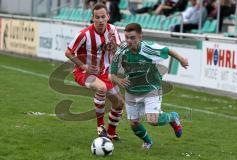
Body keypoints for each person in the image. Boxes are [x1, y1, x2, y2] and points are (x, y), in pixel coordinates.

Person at [109, 23, 189, 149]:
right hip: (131, 91)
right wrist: (119, 80)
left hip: (151, 88)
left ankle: (173, 117)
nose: (129, 41)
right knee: (133, 123)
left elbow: (168, 50)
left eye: (133, 37)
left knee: (152, 120)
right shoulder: (121, 52)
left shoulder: (149, 49)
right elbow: (111, 75)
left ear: (140, 36)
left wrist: (181, 59)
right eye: (127, 37)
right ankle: (148, 141)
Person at [65, 3, 124, 140]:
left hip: (105, 73)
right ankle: (100, 126)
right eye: (97, 17)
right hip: (84, 72)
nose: (100, 20)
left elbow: (119, 53)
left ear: (108, 17)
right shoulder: (84, 34)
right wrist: (84, 66)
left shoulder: (113, 30)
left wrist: (113, 41)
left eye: (103, 17)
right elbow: (68, 52)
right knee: (101, 88)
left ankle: (111, 133)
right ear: (92, 18)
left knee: (119, 103)